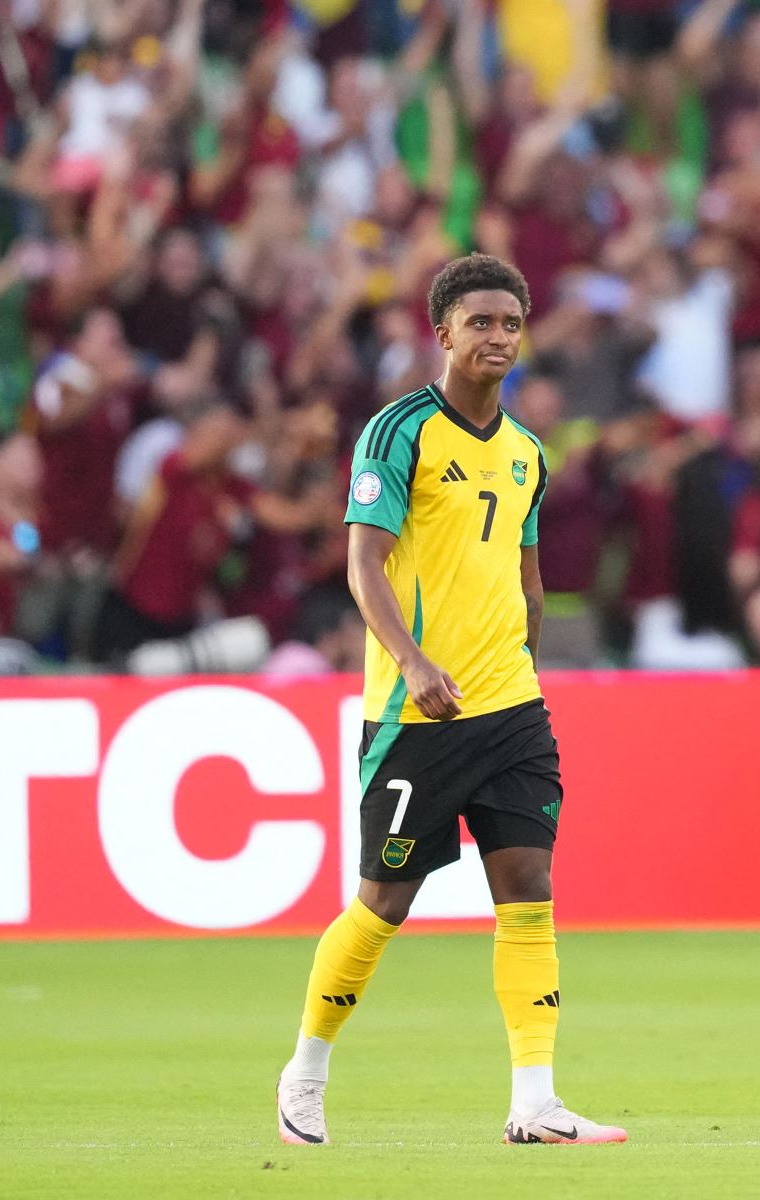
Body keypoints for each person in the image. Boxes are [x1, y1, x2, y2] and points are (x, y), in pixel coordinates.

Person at [275, 254, 626, 1148]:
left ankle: (535, 1101)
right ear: (444, 332)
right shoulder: (398, 434)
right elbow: (364, 565)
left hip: (510, 709)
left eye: (511, 323)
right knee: (384, 902)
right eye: (481, 323)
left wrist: (525, 674)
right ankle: (307, 1068)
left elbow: (529, 580)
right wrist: (415, 661)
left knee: (530, 890)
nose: (498, 338)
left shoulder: (527, 455)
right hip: (415, 716)